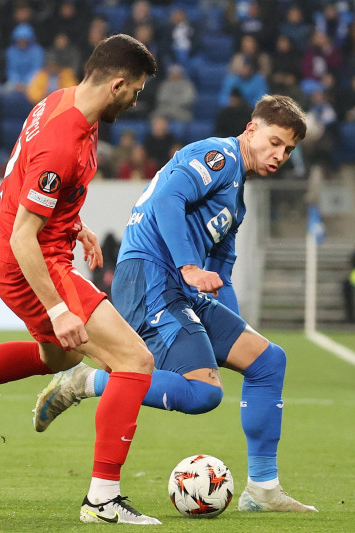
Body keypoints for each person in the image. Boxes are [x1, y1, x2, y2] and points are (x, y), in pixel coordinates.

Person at [0, 34, 160, 525]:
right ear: (117, 83)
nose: (135, 100)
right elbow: (26, 236)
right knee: (134, 360)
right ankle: (102, 499)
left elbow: (33, 188)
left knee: (56, 356)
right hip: (32, 261)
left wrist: (73, 223)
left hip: (29, 252)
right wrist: (60, 309)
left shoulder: (64, 103)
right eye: (137, 91)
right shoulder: (63, 140)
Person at [34, 94, 319, 514]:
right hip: (150, 276)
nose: (280, 155)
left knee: (267, 361)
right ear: (252, 129)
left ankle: (262, 490)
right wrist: (188, 266)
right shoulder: (217, 156)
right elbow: (168, 200)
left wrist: (231, 333)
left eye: (288, 150)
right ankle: (84, 381)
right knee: (204, 394)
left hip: (179, 287)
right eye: (275, 142)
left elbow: (219, 275)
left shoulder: (236, 197)